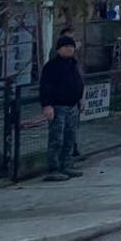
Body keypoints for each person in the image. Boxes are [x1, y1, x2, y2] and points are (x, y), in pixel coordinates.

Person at [40, 36, 84, 181]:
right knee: (56, 139)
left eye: (71, 46)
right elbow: (45, 87)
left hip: (72, 106)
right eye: (66, 47)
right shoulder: (51, 66)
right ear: (59, 49)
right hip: (58, 107)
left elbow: (78, 83)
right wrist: (47, 105)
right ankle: (53, 168)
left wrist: (80, 99)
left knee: (70, 137)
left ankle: (66, 164)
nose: (69, 49)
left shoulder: (73, 64)